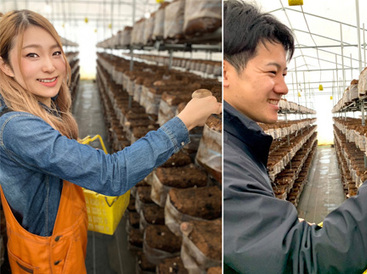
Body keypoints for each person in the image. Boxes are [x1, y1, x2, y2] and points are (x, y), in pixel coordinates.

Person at [222, 1, 367, 273]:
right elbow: (303, 262)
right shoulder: (221, 158)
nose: (283, 87)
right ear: (224, 73)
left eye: (284, 73)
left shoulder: (233, 143)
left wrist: (286, 232)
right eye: (272, 72)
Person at [0, 9, 221, 273]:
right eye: (31, 55)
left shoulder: (37, 107)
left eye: (55, 52)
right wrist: (184, 122)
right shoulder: (18, 128)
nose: (50, 65)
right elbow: (112, 175)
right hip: (47, 258)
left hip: (59, 245)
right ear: (5, 65)